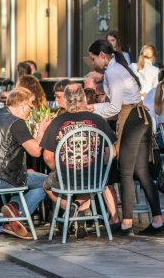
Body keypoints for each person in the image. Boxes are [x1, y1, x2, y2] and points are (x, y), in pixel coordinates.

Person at [88, 39, 164, 236]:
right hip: (141, 117)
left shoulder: (113, 72)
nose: (92, 62)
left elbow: (114, 107)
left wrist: (91, 108)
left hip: (132, 119)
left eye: (93, 58)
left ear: (103, 56)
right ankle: (157, 222)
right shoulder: (117, 69)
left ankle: (126, 224)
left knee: (125, 172)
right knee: (142, 171)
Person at [41, 83, 119, 228]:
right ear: (84, 98)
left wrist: (57, 169)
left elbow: (47, 157)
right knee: (92, 183)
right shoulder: (98, 120)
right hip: (94, 177)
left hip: (66, 178)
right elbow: (113, 152)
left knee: (46, 185)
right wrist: (98, 166)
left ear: (65, 100)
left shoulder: (57, 121)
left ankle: (71, 210)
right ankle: (77, 210)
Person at [0, 87, 48, 240]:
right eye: (30, 106)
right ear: (23, 104)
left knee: (30, 176)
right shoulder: (16, 123)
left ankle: (13, 209)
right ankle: (16, 216)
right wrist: (42, 130)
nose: (30, 111)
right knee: (46, 181)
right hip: (1, 178)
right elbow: (36, 152)